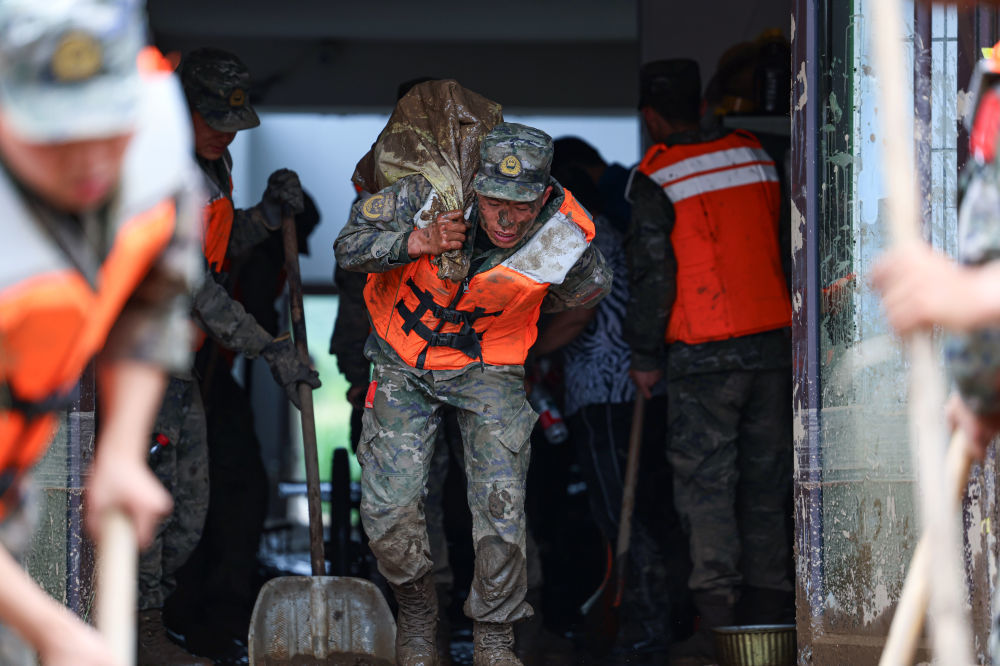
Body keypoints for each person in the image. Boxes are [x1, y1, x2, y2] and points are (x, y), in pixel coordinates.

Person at [335, 122, 610, 666]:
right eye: (493, 203)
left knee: (502, 508)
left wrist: (516, 308)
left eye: (522, 205)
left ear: (545, 193)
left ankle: (495, 640)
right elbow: (348, 248)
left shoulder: (562, 232)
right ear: (474, 187)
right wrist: (418, 241)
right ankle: (417, 610)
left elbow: (587, 288)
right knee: (388, 511)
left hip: (488, 362)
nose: (507, 219)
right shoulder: (427, 192)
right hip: (403, 357)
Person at [0, 0, 203, 663]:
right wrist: (54, 630)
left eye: (107, 129)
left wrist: (119, 450)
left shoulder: (155, 133)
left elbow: (155, 293)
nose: (89, 160)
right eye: (54, 136)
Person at [136, 47, 321, 663]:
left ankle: (153, 621)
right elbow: (195, 287)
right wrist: (269, 347)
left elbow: (218, 248)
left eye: (231, 122)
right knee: (155, 505)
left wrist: (266, 217)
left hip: (182, 368)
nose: (222, 132)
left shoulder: (213, 169)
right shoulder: (159, 173)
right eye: (209, 117)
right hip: (141, 364)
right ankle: (141, 631)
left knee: (191, 509)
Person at [625, 59, 794, 664]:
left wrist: (644, 354)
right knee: (767, 487)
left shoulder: (656, 176)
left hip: (703, 356)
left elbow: (653, 277)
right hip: (773, 346)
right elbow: (783, 243)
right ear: (701, 104)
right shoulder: (756, 156)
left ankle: (721, 630)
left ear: (651, 116)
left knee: (707, 490)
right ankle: (769, 623)